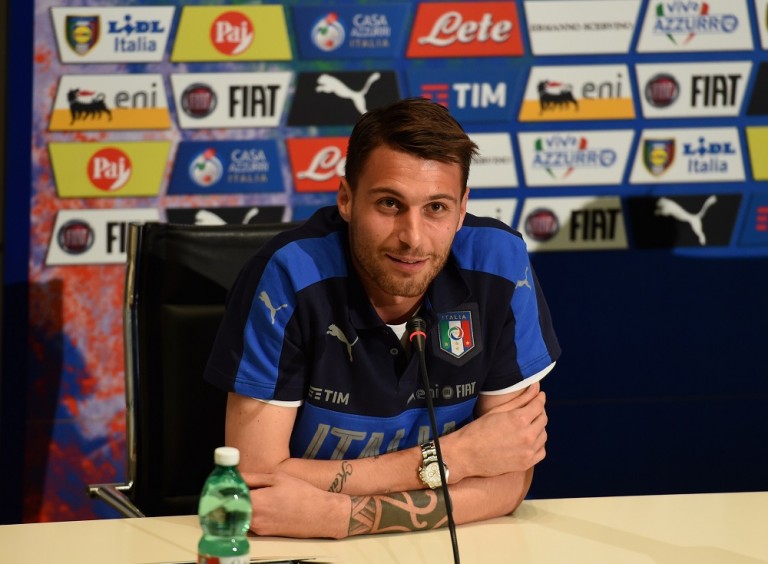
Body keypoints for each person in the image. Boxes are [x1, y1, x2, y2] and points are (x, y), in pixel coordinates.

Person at [204, 97, 560, 539]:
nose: (413, 238)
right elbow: (255, 485)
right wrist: (455, 458)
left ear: (462, 208)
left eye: (436, 208)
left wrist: (339, 515)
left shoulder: (500, 264)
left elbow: (509, 478)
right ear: (346, 198)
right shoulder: (288, 275)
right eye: (390, 204)